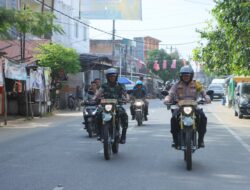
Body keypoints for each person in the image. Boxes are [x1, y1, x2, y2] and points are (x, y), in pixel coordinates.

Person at [164, 65, 211, 148]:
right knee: (173, 119)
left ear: (191, 75)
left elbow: (203, 92)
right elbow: (170, 93)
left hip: (193, 106)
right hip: (180, 107)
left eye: (187, 75)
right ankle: (175, 140)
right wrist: (167, 98)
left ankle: (201, 140)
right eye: (184, 75)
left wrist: (206, 97)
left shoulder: (196, 83)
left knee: (203, 117)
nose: (186, 77)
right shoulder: (177, 85)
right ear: (181, 76)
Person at [94, 68, 129, 144]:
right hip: (105, 105)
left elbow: (125, 94)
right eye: (110, 76)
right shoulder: (104, 85)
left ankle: (123, 136)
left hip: (117, 105)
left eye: (113, 76)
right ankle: (99, 133)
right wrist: (94, 98)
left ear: (116, 77)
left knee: (124, 116)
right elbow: (98, 93)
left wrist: (127, 98)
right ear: (107, 77)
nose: (112, 78)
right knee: (97, 114)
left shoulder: (120, 85)